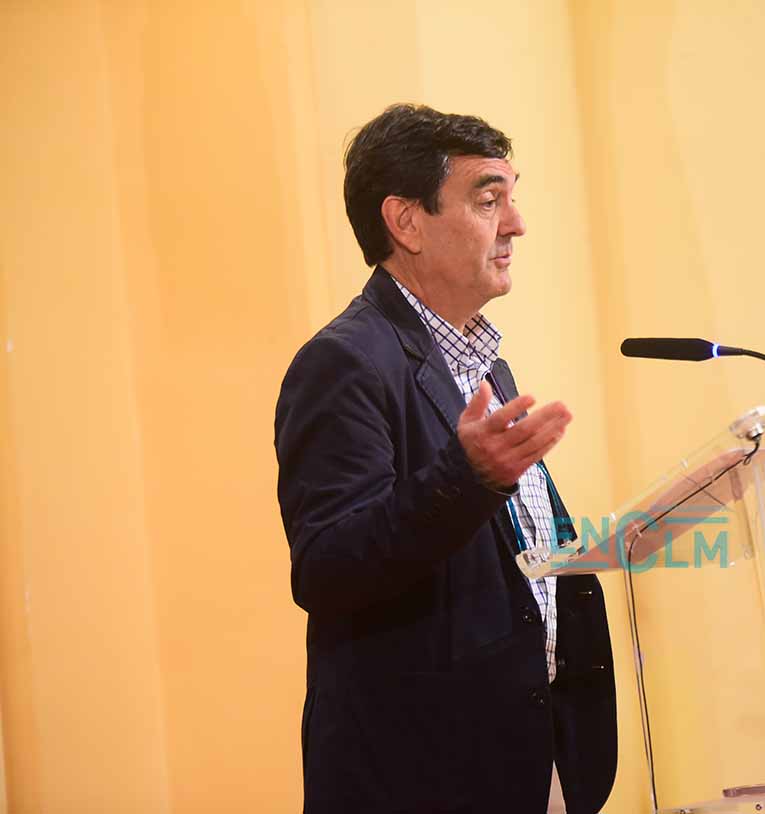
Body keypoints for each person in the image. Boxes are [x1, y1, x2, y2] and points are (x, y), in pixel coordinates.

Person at [274, 104, 616, 814]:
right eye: (488, 200)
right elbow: (329, 567)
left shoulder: (484, 367)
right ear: (406, 222)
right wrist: (469, 479)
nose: (516, 224)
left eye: (511, 198)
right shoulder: (345, 363)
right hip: (423, 774)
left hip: (530, 755)